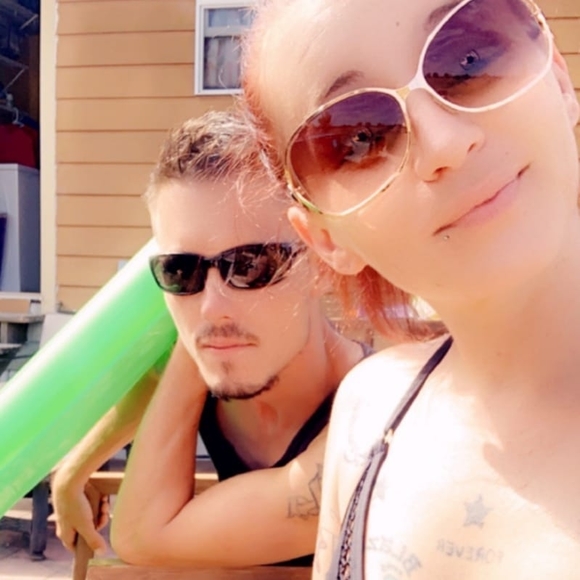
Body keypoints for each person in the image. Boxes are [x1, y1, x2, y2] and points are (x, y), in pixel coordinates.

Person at [240, 0, 580, 577]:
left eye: (468, 58)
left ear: (559, 78)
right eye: (359, 137)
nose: (444, 143)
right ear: (324, 236)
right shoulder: (367, 414)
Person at [51, 109, 372, 567]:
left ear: (320, 262)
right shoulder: (214, 377)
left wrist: (197, 333)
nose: (210, 306)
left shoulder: (375, 414)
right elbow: (152, 387)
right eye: (180, 270)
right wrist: (73, 471)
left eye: (251, 265)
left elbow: (141, 535)